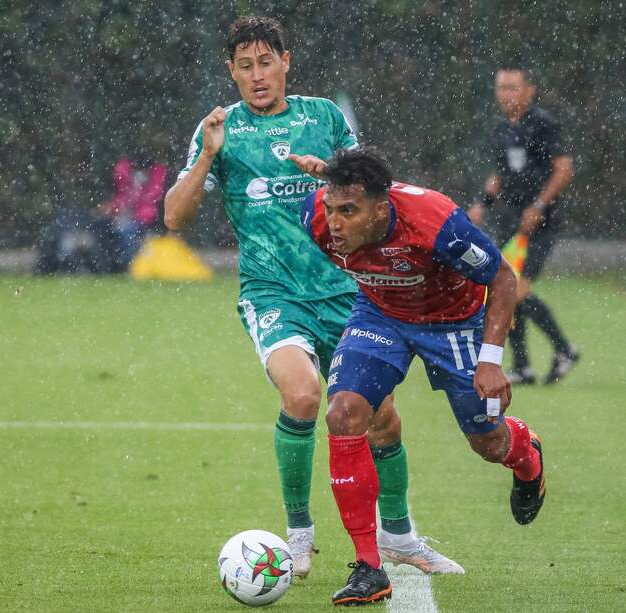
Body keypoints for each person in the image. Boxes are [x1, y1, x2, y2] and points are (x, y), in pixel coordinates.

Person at [163, 16, 461, 578]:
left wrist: (328, 173)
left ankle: (399, 537)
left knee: (382, 421)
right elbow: (173, 218)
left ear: (286, 62)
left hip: (348, 292)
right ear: (231, 71)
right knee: (302, 397)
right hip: (273, 292)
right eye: (245, 66)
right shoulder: (219, 130)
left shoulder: (323, 116)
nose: (257, 75)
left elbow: (377, 199)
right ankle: (298, 534)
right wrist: (207, 155)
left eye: (266, 62)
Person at [301, 149, 546, 606]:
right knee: (343, 415)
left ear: (382, 208)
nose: (335, 223)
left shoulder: (436, 223)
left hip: (454, 321)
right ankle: (369, 567)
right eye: (332, 209)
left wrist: (491, 361)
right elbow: (329, 210)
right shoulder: (316, 218)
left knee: (488, 444)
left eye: (348, 212)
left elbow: (504, 278)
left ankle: (527, 456)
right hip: (380, 314)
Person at [467, 65, 579, 385]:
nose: (506, 95)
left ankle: (564, 349)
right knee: (503, 289)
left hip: (541, 223)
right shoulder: (502, 129)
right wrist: (480, 204)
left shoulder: (544, 125)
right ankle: (523, 368)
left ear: (529, 91)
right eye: (501, 88)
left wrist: (540, 205)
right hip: (510, 221)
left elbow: (564, 169)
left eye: (513, 88)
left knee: (515, 290)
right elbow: (500, 176)